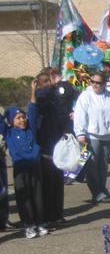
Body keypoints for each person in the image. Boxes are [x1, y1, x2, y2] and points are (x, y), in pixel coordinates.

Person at [73, 71, 110, 204]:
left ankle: (103, 190)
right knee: (92, 166)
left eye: (98, 83)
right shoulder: (86, 96)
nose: (95, 85)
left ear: (104, 83)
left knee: (103, 166)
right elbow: (80, 116)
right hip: (92, 136)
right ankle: (97, 193)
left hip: (107, 136)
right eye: (93, 82)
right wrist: (80, 134)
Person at [31, 72, 68, 226]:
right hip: (45, 150)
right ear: (37, 84)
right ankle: (47, 217)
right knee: (47, 186)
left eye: (50, 81)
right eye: (45, 81)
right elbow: (39, 99)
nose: (49, 83)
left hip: (56, 148)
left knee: (57, 185)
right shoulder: (40, 98)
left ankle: (57, 214)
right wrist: (50, 87)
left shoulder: (53, 99)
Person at [4, 106, 47, 238]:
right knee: (24, 198)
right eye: (18, 118)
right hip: (20, 168)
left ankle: (39, 223)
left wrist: (33, 92)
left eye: (23, 117)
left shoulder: (31, 130)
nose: (22, 120)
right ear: (11, 120)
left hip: (34, 166)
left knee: (37, 195)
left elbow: (33, 110)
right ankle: (28, 225)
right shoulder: (9, 132)